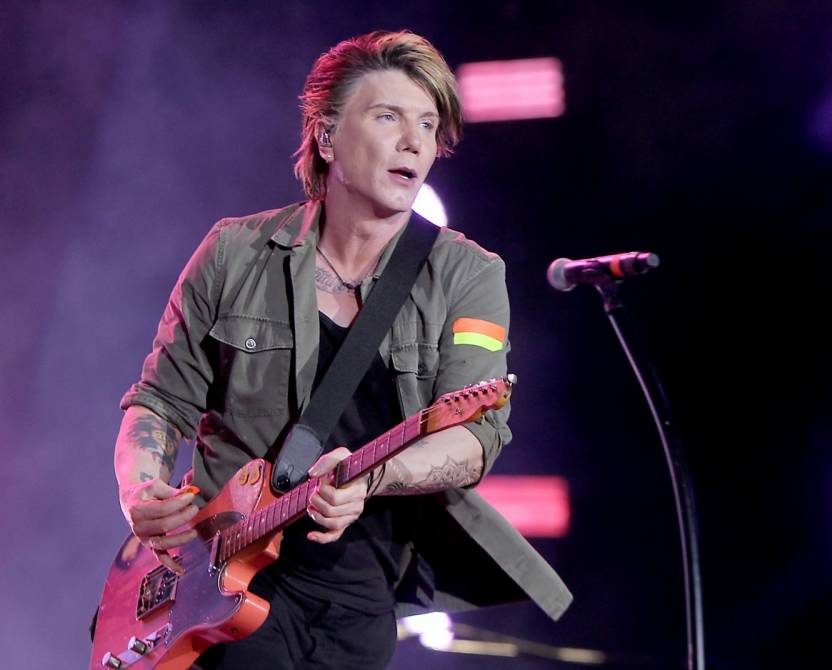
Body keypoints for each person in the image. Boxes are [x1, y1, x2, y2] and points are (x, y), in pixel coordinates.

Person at [113, 30, 571, 669]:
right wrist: (140, 491)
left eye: (428, 125)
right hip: (216, 579)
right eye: (388, 117)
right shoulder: (234, 252)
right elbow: (160, 401)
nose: (415, 142)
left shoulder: (467, 275)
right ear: (326, 137)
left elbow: (475, 437)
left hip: (358, 596)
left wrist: (371, 475)